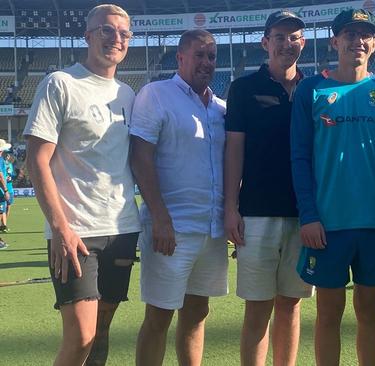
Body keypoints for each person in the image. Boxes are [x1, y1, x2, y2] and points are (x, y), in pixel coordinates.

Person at [23, 4, 141, 365]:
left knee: (101, 332)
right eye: (106, 30)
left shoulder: (128, 95)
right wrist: (60, 228)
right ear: (88, 35)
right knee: (81, 337)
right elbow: (36, 159)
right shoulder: (61, 83)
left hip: (122, 228)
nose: (115, 38)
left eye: (123, 33)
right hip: (76, 233)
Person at [291, 9, 375, 365]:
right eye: (349, 34)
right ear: (335, 40)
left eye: (365, 34)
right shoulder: (311, 89)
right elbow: (299, 158)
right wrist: (308, 215)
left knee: (369, 313)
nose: (357, 40)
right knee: (328, 314)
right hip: (326, 225)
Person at [130, 29, 228, 366]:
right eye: (199, 54)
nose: (206, 62)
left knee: (198, 312)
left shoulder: (220, 108)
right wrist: (159, 216)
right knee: (159, 316)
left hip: (211, 231)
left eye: (211, 57)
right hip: (171, 229)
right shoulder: (155, 94)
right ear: (181, 57)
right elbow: (140, 157)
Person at [224, 10, 313, 366]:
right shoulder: (244, 88)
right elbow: (234, 150)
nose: (287, 44)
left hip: (303, 215)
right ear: (265, 42)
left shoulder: (313, 89)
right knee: (258, 309)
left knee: (291, 306)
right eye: (279, 37)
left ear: (302, 44)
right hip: (257, 213)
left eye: (294, 38)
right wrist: (231, 207)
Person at [0, 151, 17, 232]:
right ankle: (3, 225)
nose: (8, 156)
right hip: (4, 189)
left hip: (9, 188)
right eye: (6, 154)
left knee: (8, 206)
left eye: (9, 155)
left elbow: (11, 176)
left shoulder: (10, 165)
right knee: (2, 208)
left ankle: (4, 225)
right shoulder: (1, 162)